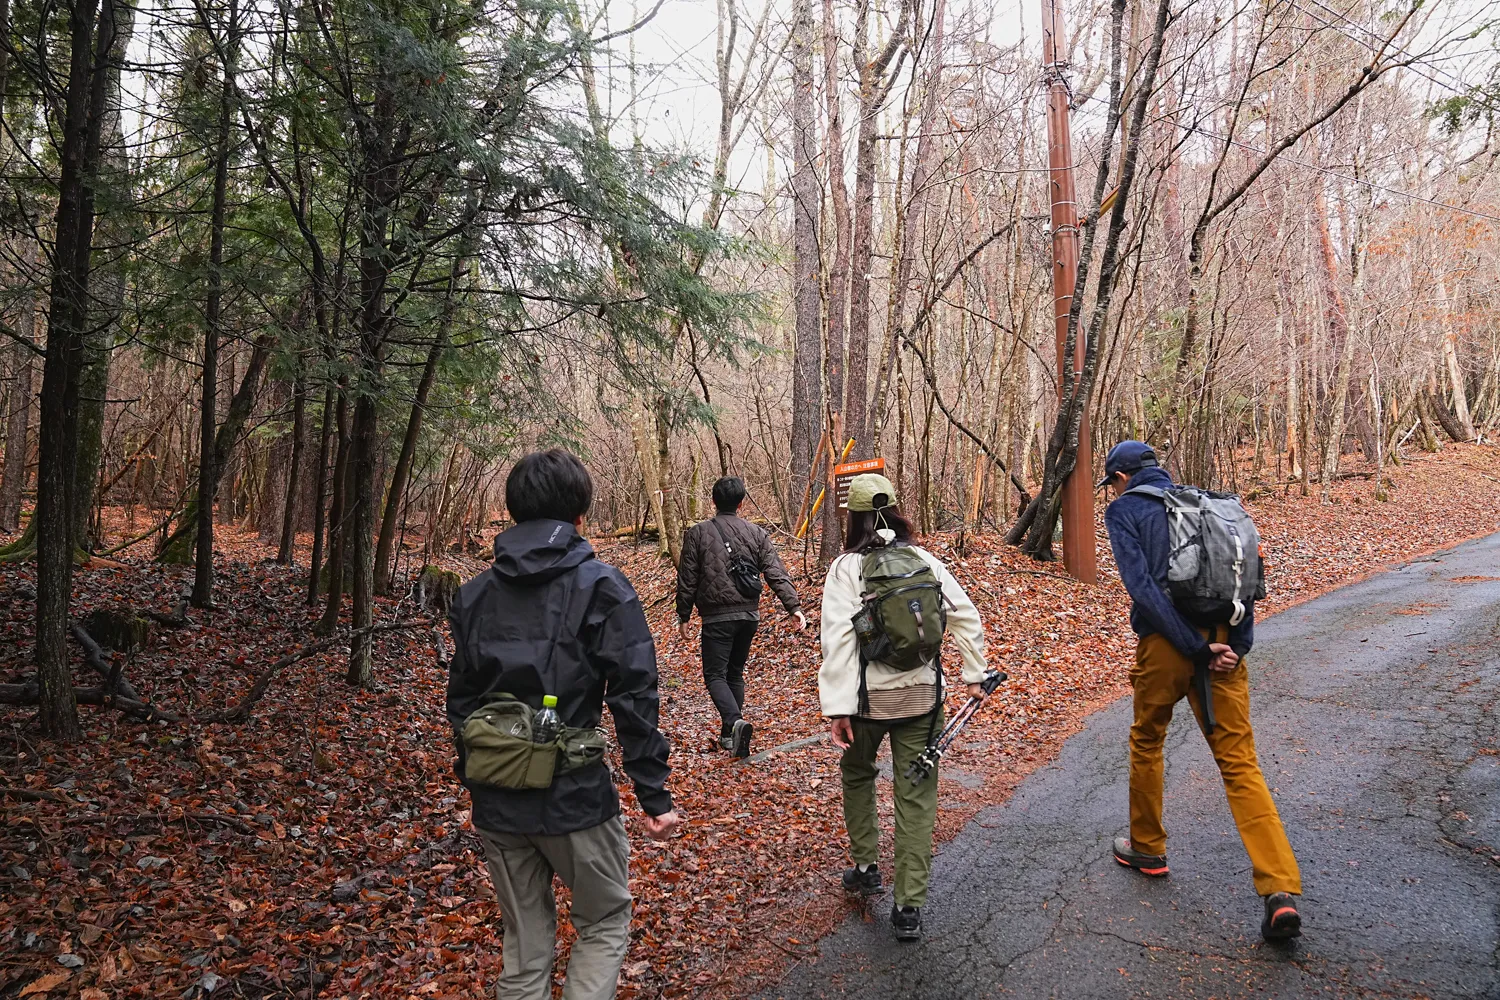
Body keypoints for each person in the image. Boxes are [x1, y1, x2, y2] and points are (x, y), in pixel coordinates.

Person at [447, 449, 682, 1000]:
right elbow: (634, 695)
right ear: (580, 515)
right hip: (575, 800)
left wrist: (478, 775)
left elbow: (461, 702)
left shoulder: (474, 595)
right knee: (603, 922)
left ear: (513, 512)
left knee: (525, 946)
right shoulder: (602, 587)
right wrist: (653, 794)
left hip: (497, 802)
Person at [1099, 440, 1303, 942]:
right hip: (1224, 645)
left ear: (1121, 478)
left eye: (1113, 484)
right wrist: (1235, 645)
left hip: (1167, 648)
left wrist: (1191, 647)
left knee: (1148, 738)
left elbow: (1142, 588)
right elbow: (1246, 580)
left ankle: (1147, 848)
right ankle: (1279, 889)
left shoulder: (1125, 510)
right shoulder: (1212, 506)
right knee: (1239, 761)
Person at [817, 473, 988, 942]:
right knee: (916, 795)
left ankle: (865, 867)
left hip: (867, 705)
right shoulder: (924, 559)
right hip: (923, 700)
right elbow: (963, 614)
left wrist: (839, 708)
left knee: (858, 774)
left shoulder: (845, 569)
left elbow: (838, 641)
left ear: (852, 517)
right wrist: (974, 673)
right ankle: (909, 905)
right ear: (896, 509)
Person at [675, 476, 806, 757]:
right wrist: (793, 606)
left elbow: (688, 578)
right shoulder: (756, 533)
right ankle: (729, 734)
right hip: (749, 616)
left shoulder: (698, 533)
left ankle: (734, 722)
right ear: (741, 503)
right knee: (734, 673)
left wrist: (683, 615)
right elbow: (775, 571)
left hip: (717, 617)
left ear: (713, 501)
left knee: (715, 675)